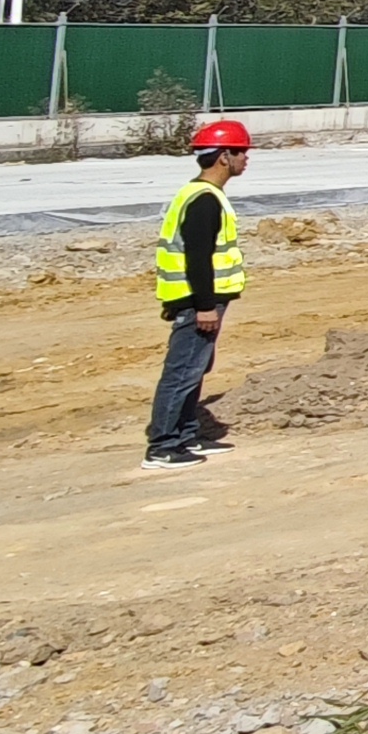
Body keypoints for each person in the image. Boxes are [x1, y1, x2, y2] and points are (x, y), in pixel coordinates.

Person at [146, 118, 251, 471]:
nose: (246, 159)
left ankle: (186, 435)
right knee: (181, 373)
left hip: (202, 301)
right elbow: (197, 258)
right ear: (223, 156)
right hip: (196, 303)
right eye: (241, 152)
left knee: (195, 370)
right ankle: (163, 446)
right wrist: (205, 306)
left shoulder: (202, 195)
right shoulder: (204, 201)